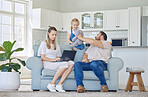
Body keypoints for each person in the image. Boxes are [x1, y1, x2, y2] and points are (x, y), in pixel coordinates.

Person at [38, 27, 74, 92]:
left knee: (71, 63)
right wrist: (53, 60)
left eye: (55, 35)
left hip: (55, 63)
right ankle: (51, 83)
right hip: (47, 63)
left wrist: (61, 59)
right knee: (65, 64)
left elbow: (58, 56)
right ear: (48, 34)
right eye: (52, 34)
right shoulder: (44, 43)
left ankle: (59, 84)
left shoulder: (56, 45)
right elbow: (42, 57)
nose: (54, 36)